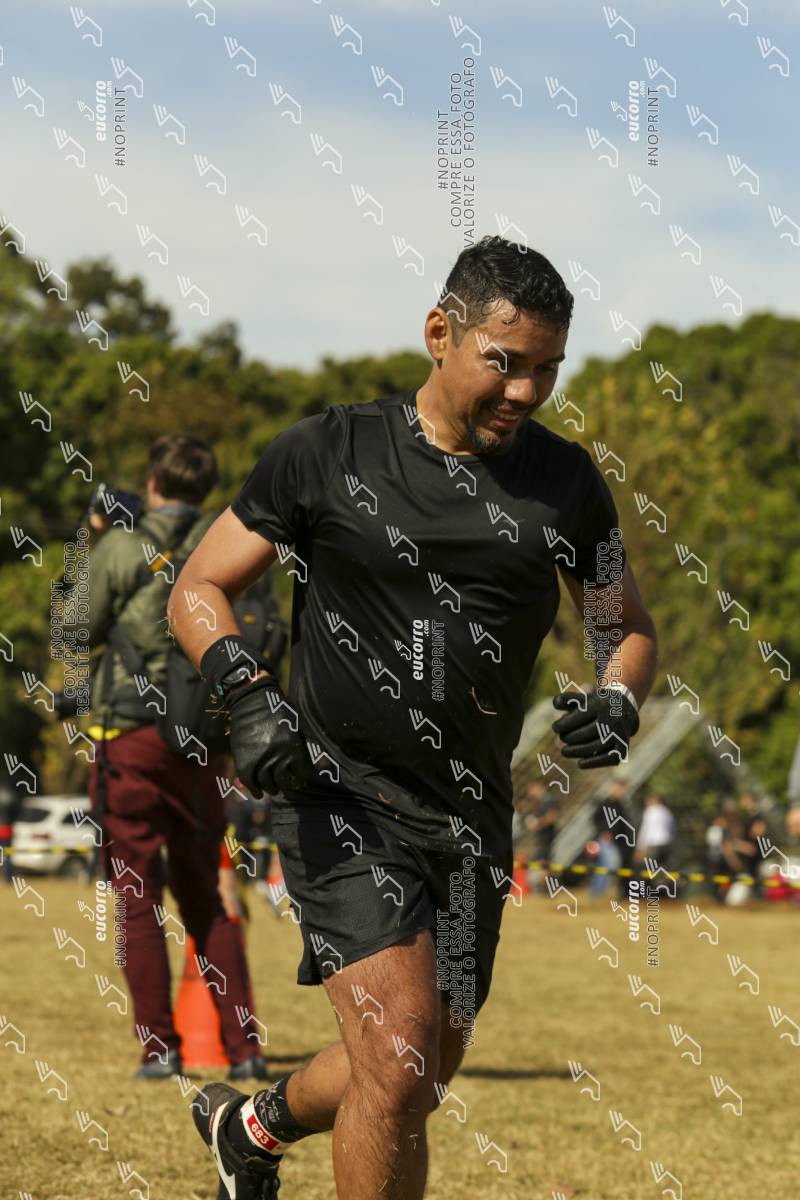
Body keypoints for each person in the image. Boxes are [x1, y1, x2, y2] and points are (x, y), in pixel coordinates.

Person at [168, 234, 659, 1199]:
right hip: (338, 794)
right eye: (505, 362)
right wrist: (247, 694)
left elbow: (626, 628)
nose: (526, 390)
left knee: (419, 1069)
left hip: (470, 814)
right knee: (397, 1055)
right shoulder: (326, 452)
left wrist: (619, 697)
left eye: (549, 369)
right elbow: (198, 586)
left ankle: (250, 1126)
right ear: (441, 333)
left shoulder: (564, 483)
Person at [83, 433, 267, 1080]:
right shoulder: (228, 541)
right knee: (205, 897)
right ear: (207, 487)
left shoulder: (122, 546)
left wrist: (92, 538)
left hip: (130, 736)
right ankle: (245, 1051)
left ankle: (160, 1048)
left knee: (137, 894)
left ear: (153, 482)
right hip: (204, 741)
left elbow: (72, 628)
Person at [633, 793, 676, 879]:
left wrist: (640, 848)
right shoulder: (667, 812)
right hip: (666, 845)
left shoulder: (651, 811)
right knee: (663, 869)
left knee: (647, 870)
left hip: (652, 845)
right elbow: (673, 830)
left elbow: (646, 830)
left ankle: (646, 887)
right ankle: (661, 886)